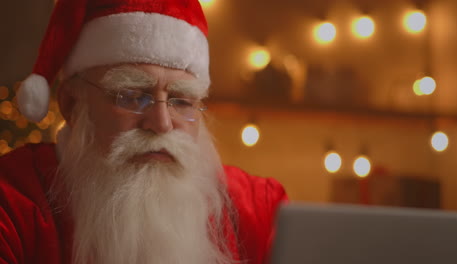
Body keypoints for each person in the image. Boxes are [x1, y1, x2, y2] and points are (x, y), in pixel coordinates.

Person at [0, 0, 287, 263]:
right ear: (72, 105)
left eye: (182, 101)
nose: (162, 124)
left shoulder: (260, 209)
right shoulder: (12, 203)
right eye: (132, 96)